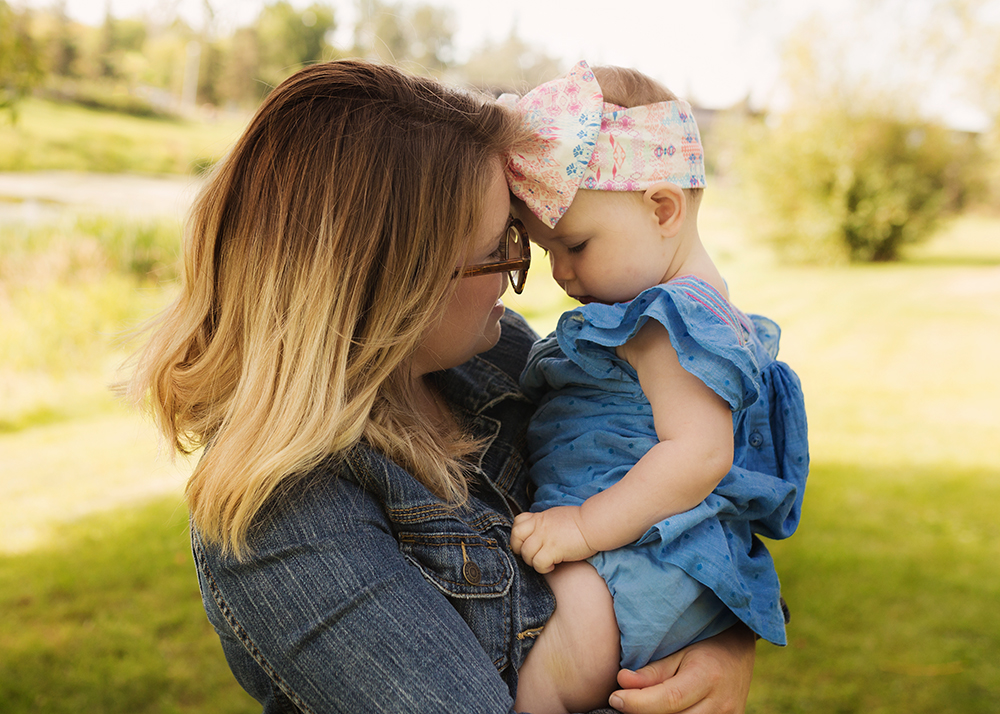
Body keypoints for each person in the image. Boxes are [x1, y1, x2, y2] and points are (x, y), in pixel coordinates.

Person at [125, 59, 758, 714]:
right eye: (500, 249)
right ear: (395, 281)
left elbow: (694, 493)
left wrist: (721, 647)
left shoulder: (497, 356)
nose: (527, 274)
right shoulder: (288, 514)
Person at [503, 62, 809, 714]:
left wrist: (584, 528)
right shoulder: (681, 314)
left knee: (559, 668)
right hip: (639, 551)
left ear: (662, 208)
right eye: (546, 251)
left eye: (575, 245)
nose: (559, 272)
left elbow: (699, 454)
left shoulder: (671, 323)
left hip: (633, 560)